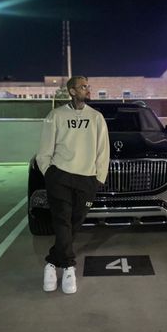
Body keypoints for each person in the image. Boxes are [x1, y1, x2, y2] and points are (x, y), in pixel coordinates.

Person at [36, 76, 110, 294]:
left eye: (88, 86)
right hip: (60, 176)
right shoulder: (56, 116)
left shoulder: (96, 118)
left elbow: (103, 150)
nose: (87, 90)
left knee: (75, 221)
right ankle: (68, 266)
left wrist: (99, 178)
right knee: (61, 220)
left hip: (86, 179)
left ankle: (51, 261)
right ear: (71, 91)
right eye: (82, 87)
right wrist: (49, 172)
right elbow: (44, 149)